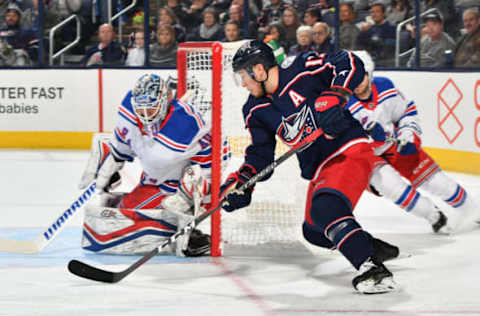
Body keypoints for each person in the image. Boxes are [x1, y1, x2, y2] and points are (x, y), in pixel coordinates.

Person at [222, 40, 399, 294]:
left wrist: (336, 94)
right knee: (314, 231)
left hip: (348, 148)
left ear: (259, 70)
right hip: (320, 168)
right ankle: (370, 247)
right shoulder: (253, 109)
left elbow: (349, 62)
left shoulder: (302, 68)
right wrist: (243, 182)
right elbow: (261, 155)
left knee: (325, 209)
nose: (244, 84)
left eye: (243, 76)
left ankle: (372, 269)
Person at [78, 74, 222, 256]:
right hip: (152, 181)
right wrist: (112, 158)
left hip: (176, 187)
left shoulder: (185, 123)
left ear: (165, 101)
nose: (145, 115)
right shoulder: (129, 111)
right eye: (141, 109)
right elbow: (125, 144)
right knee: (119, 215)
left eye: (151, 108)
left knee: (129, 224)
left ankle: (191, 235)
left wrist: (199, 185)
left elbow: (218, 146)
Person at [347, 51, 480, 233]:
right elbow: (344, 142)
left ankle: (472, 210)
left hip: (394, 145)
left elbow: (407, 112)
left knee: (438, 182)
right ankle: (434, 217)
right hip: (368, 156)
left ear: (369, 73)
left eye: (359, 77)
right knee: (392, 187)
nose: (355, 83)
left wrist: (407, 134)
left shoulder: (385, 87)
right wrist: (368, 139)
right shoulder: (343, 103)